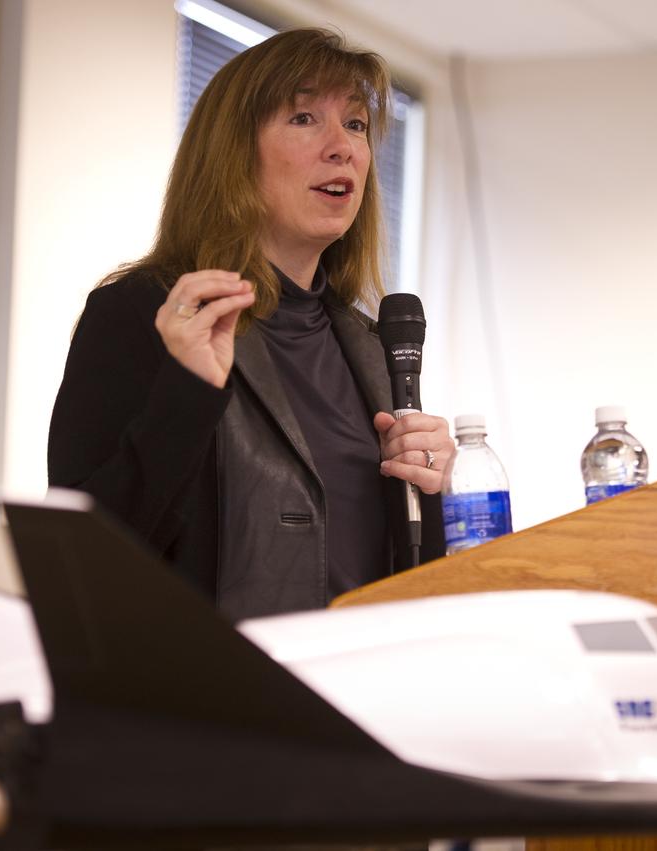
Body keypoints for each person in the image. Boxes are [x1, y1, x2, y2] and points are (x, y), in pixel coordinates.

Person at [47, 28, 453, 624]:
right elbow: (82, 559)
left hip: (361, 691)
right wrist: (187, 394)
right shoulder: (146, 314)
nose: (343, 147)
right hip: (215, 700)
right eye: (305, 118)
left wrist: (432, 493)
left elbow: (405, 578)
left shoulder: (373, 347)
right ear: (233, 154)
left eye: (357, 125)